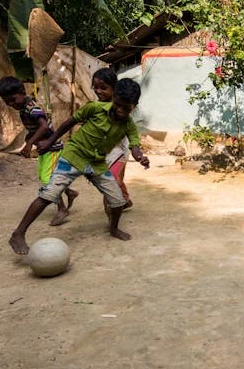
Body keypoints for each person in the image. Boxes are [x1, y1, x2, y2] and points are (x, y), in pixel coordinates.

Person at [8, 78, 150, 255]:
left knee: (118, 200)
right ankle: (18, 234)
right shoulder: (95, 108)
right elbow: (69, 123)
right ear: (114, 98)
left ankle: (113, 228)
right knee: (49, 195)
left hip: (97, 163)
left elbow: (134, 146)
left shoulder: (129, 125)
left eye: (126, 108)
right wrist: (50, 141)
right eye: (118, 105)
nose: (121, 111)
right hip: (74, 156)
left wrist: (140, 157)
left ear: (134, 106)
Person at [0, 76, 78, 226]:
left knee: (48, 179)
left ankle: (62, 209)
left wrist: (29, 143)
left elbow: (44, 127)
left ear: (22, 92)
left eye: (13, 100)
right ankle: (70, 192)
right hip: (44, 148)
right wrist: (30, 138)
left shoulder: (31, 108)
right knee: (43, 176)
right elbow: (35, 129)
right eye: (7, 102)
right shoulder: (23, 109)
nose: (11, 104)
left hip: (52, 147)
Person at [91, 68, 134, 211]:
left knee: (111, 182)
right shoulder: (96, 106)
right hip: (104, 151)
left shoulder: (121, 106)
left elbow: (127, 129)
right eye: (95, 87)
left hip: (119, 151)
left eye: (103, 88)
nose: (98, 91)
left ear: (114, 88)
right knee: (115, 179)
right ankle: (125, 199)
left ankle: (110, 216)